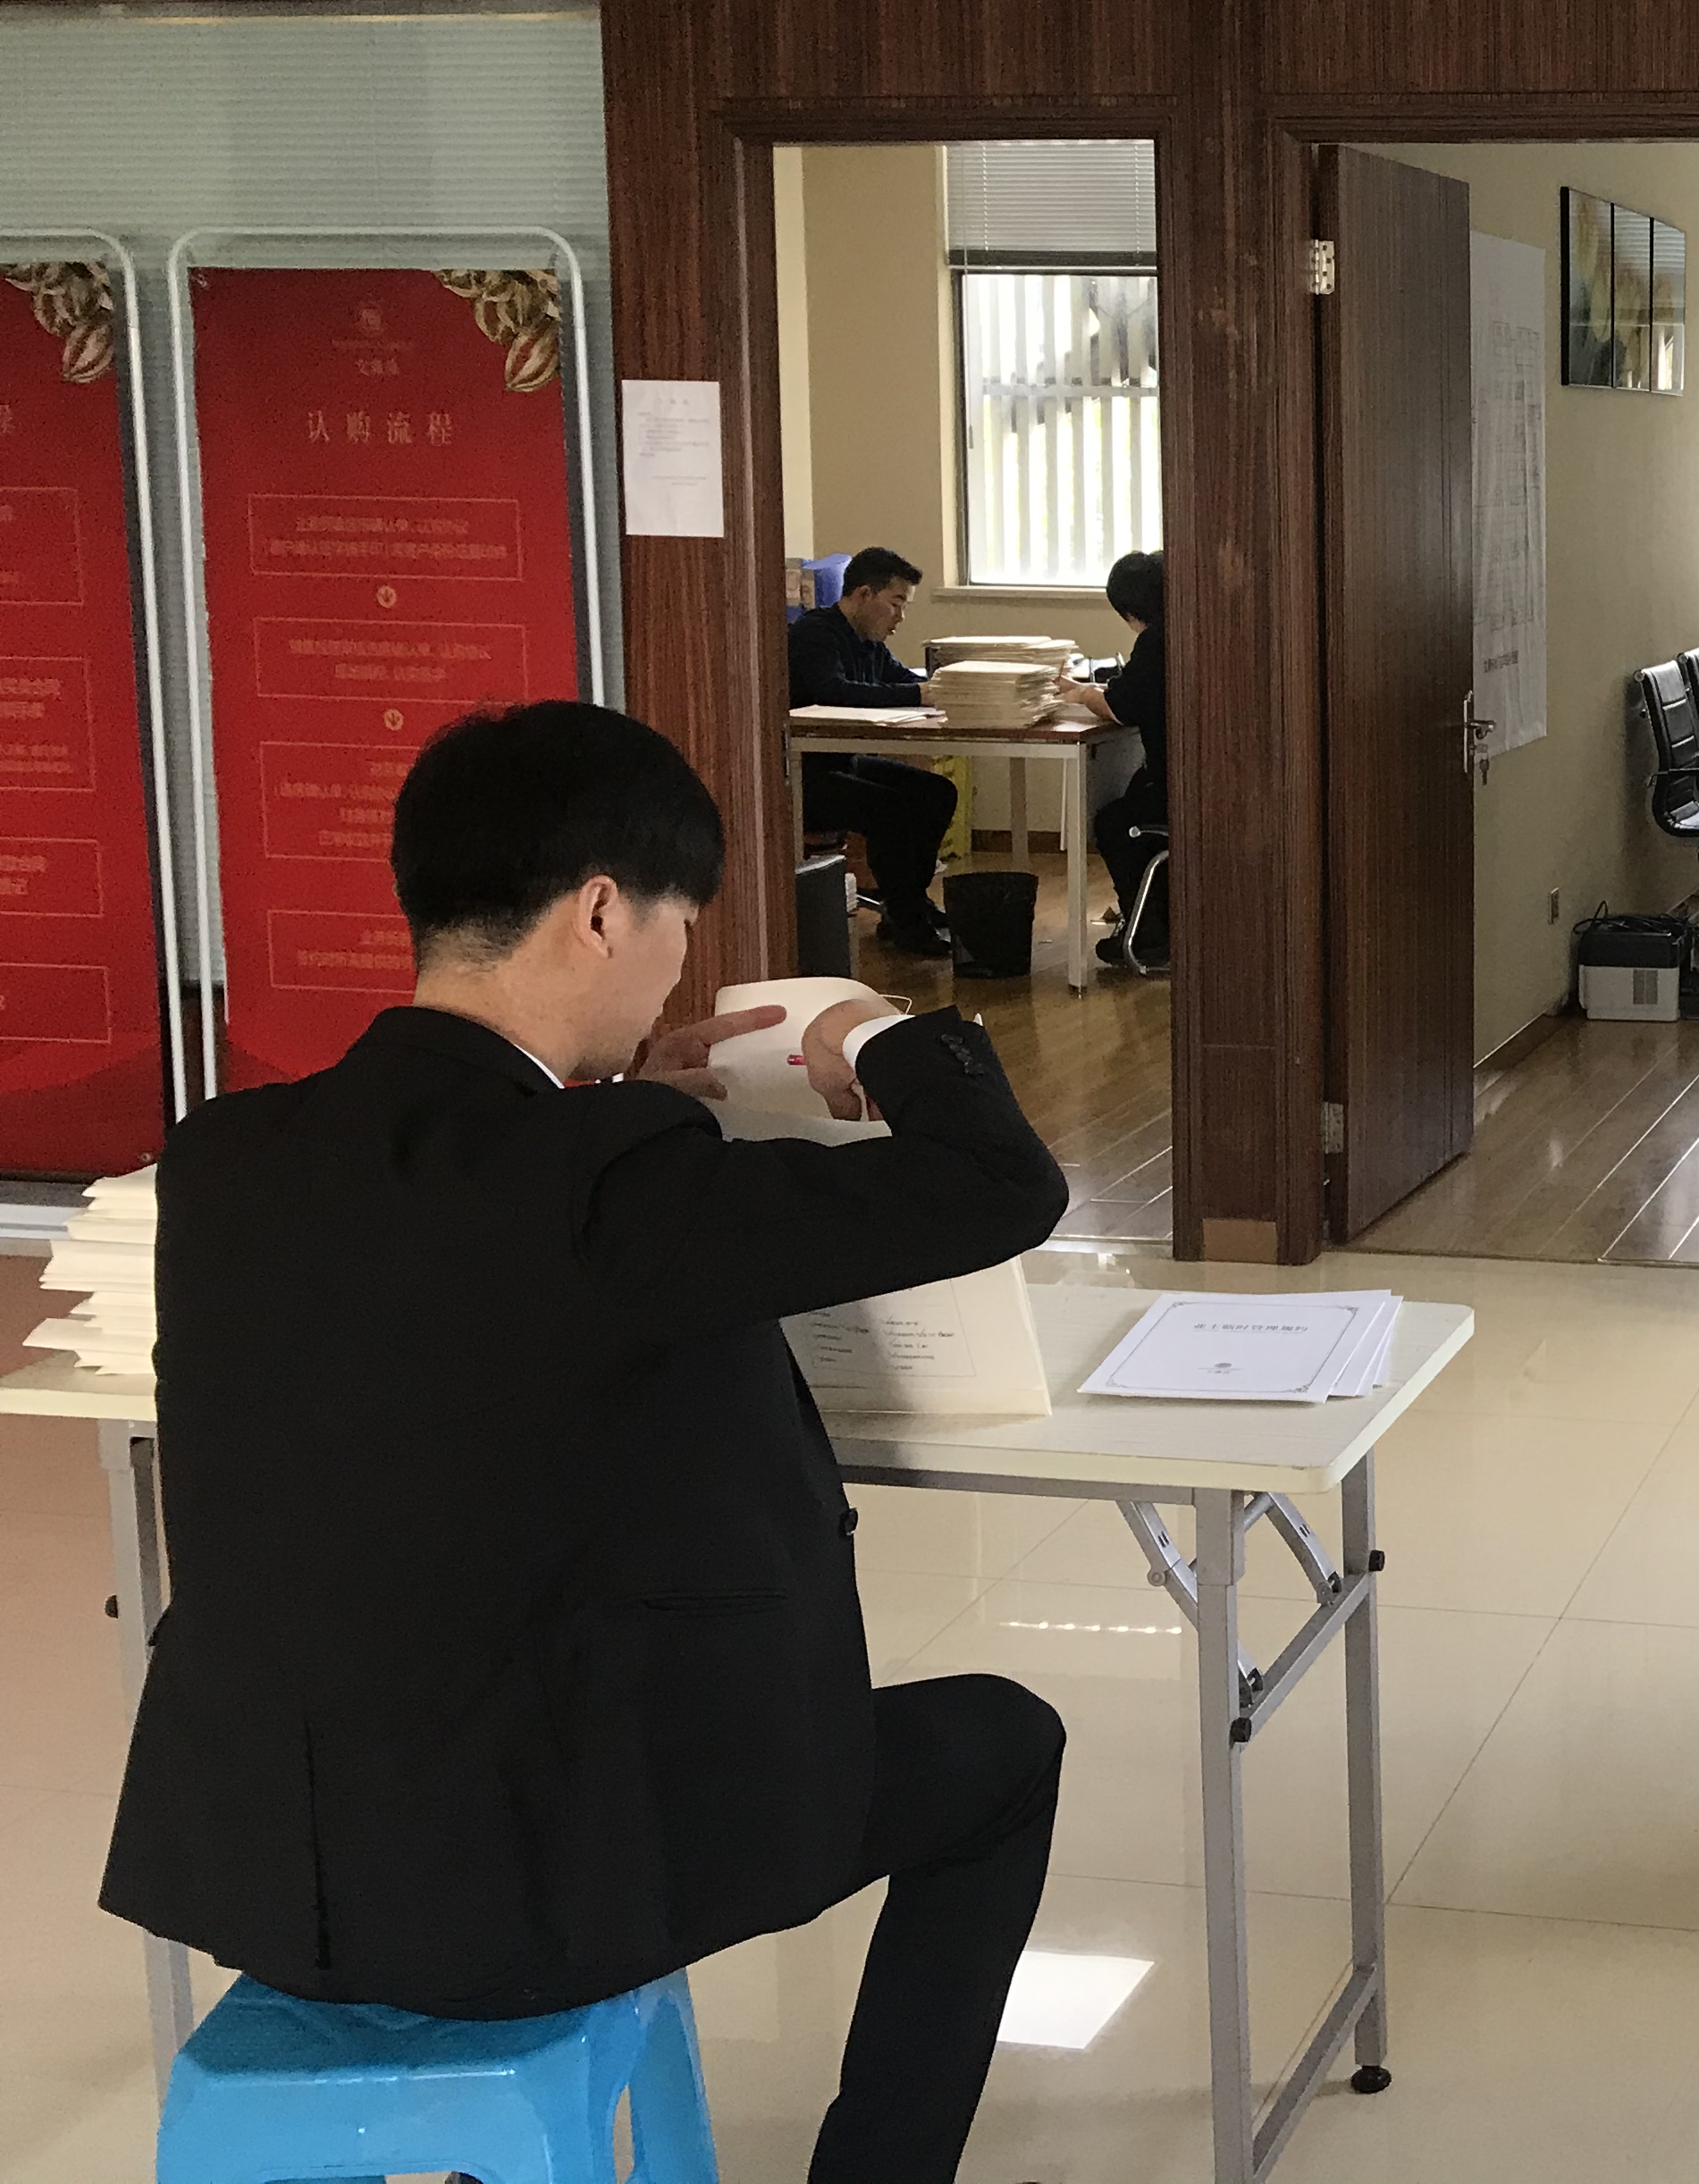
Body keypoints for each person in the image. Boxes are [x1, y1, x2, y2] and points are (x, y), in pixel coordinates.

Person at [100, 701, 1072, 2184]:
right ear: (604, 909)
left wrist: (603, 1113)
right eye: (681, 922)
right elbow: (1001, 1185)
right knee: (1002, 1745)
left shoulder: (230, 1157)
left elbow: (457, 1320)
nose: (679, 961)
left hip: (264, 1858)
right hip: (524, 1885)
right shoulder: (611, 1183)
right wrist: (875, 1034)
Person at [790, 543, 960, 958]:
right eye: (896, 603)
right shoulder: (817, 633)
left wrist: (948, 688)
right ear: (864, 594)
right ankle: (906, 920)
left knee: (936, 792)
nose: (900, 616)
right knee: (888, 808)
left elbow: (902, 682)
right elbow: (833, 692)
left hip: (841, 762)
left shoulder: (869, 643)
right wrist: (918, 695)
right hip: (803, 773)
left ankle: (907, 903)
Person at [1061, 548, 1168, 972]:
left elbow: (1122, 707)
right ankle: (1157, 920)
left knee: (1115, 822)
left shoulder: (1157, 640)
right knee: (1135, 793)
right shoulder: (1196, 629)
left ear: (1130, 610)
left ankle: (1150, 935)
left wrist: (1083, 694)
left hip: (1180, 790)